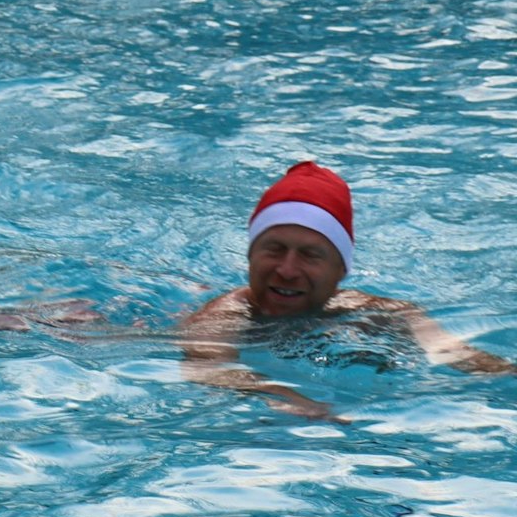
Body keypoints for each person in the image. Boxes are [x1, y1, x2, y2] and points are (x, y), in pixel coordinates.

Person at [180, 161, 514, 420]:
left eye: (310, 255)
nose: (287, 270)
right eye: (274, 249)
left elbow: (453, 352)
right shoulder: (226, 318)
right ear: (250, 255)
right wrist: (290, 398)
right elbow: (210, 370)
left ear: (341, 271)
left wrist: (501, 373)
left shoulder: (375, 310)